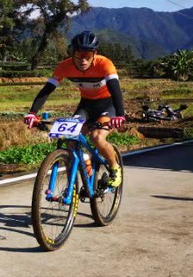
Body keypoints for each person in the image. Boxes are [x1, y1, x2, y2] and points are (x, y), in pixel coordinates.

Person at [24, 31, 125, 187]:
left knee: (97, 137)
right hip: (86, 105)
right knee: (70, 139)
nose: (83, 60)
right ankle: (86, 178)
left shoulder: (104, 64)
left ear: (95, 54)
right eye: (79, 54)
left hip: (108, 105)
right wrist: (32, 113)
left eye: (88, 55)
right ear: (72, 53)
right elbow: (47, 90)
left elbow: (115, 90)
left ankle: (114, 168)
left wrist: (120, 115)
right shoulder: (64, 66)